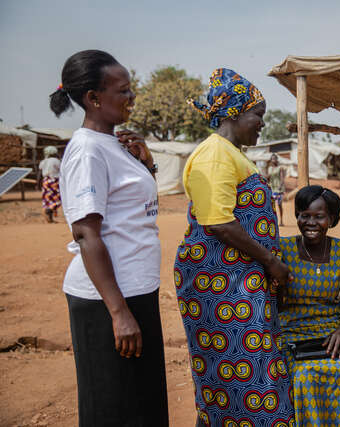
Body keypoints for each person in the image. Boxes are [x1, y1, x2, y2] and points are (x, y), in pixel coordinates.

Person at [50, 50, 168, 426]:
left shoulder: (115, 144)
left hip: (135, 289)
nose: (132, 97)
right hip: (107, 300)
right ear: (93, 98)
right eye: (124, 91)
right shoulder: (86, 151)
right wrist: (118, 313)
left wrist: (145, 162)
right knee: (113, 408)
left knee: (142, 403)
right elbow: (85, 233)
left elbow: (137, 212)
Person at [175, 68, 295, 427]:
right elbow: (218, 222)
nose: (262, 123)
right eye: (257, 115)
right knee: (242, 373)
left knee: (251, 370)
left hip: (236, 280)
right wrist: (272, 262)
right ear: (233, 113)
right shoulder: (215, 155)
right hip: (220, 283)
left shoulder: (231, 153)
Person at [278, 185, 340, 426]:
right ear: (297, 216)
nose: (311, 222)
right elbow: (276, 304)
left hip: (332, 331)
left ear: (332, 219)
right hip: (292, 330)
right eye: (304, 215)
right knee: (303, 374)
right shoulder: (282, 250)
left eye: (319, 216)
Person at [38, 145, 61, 223]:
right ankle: (49, 210)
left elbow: (40, 172)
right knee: (58, 199)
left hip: (45, 182)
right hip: (54, 182)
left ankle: (50, 218)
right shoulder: (56, 161)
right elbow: (61, 170)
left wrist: (38, 183)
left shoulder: (43, 161)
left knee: (48, 200)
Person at [267, 153, 286, 225]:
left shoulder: (280, 168)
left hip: (278, 189)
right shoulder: (269, 168)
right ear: (271, 160)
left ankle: (281, 221)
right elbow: (268, 179)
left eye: (274, 158)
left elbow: (282, 178)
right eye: (272, 159)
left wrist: (280, 186)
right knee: (271, 205)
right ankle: (273, 221)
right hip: (272, 188)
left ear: (277, 160)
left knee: (279, 204)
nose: (273, 160)